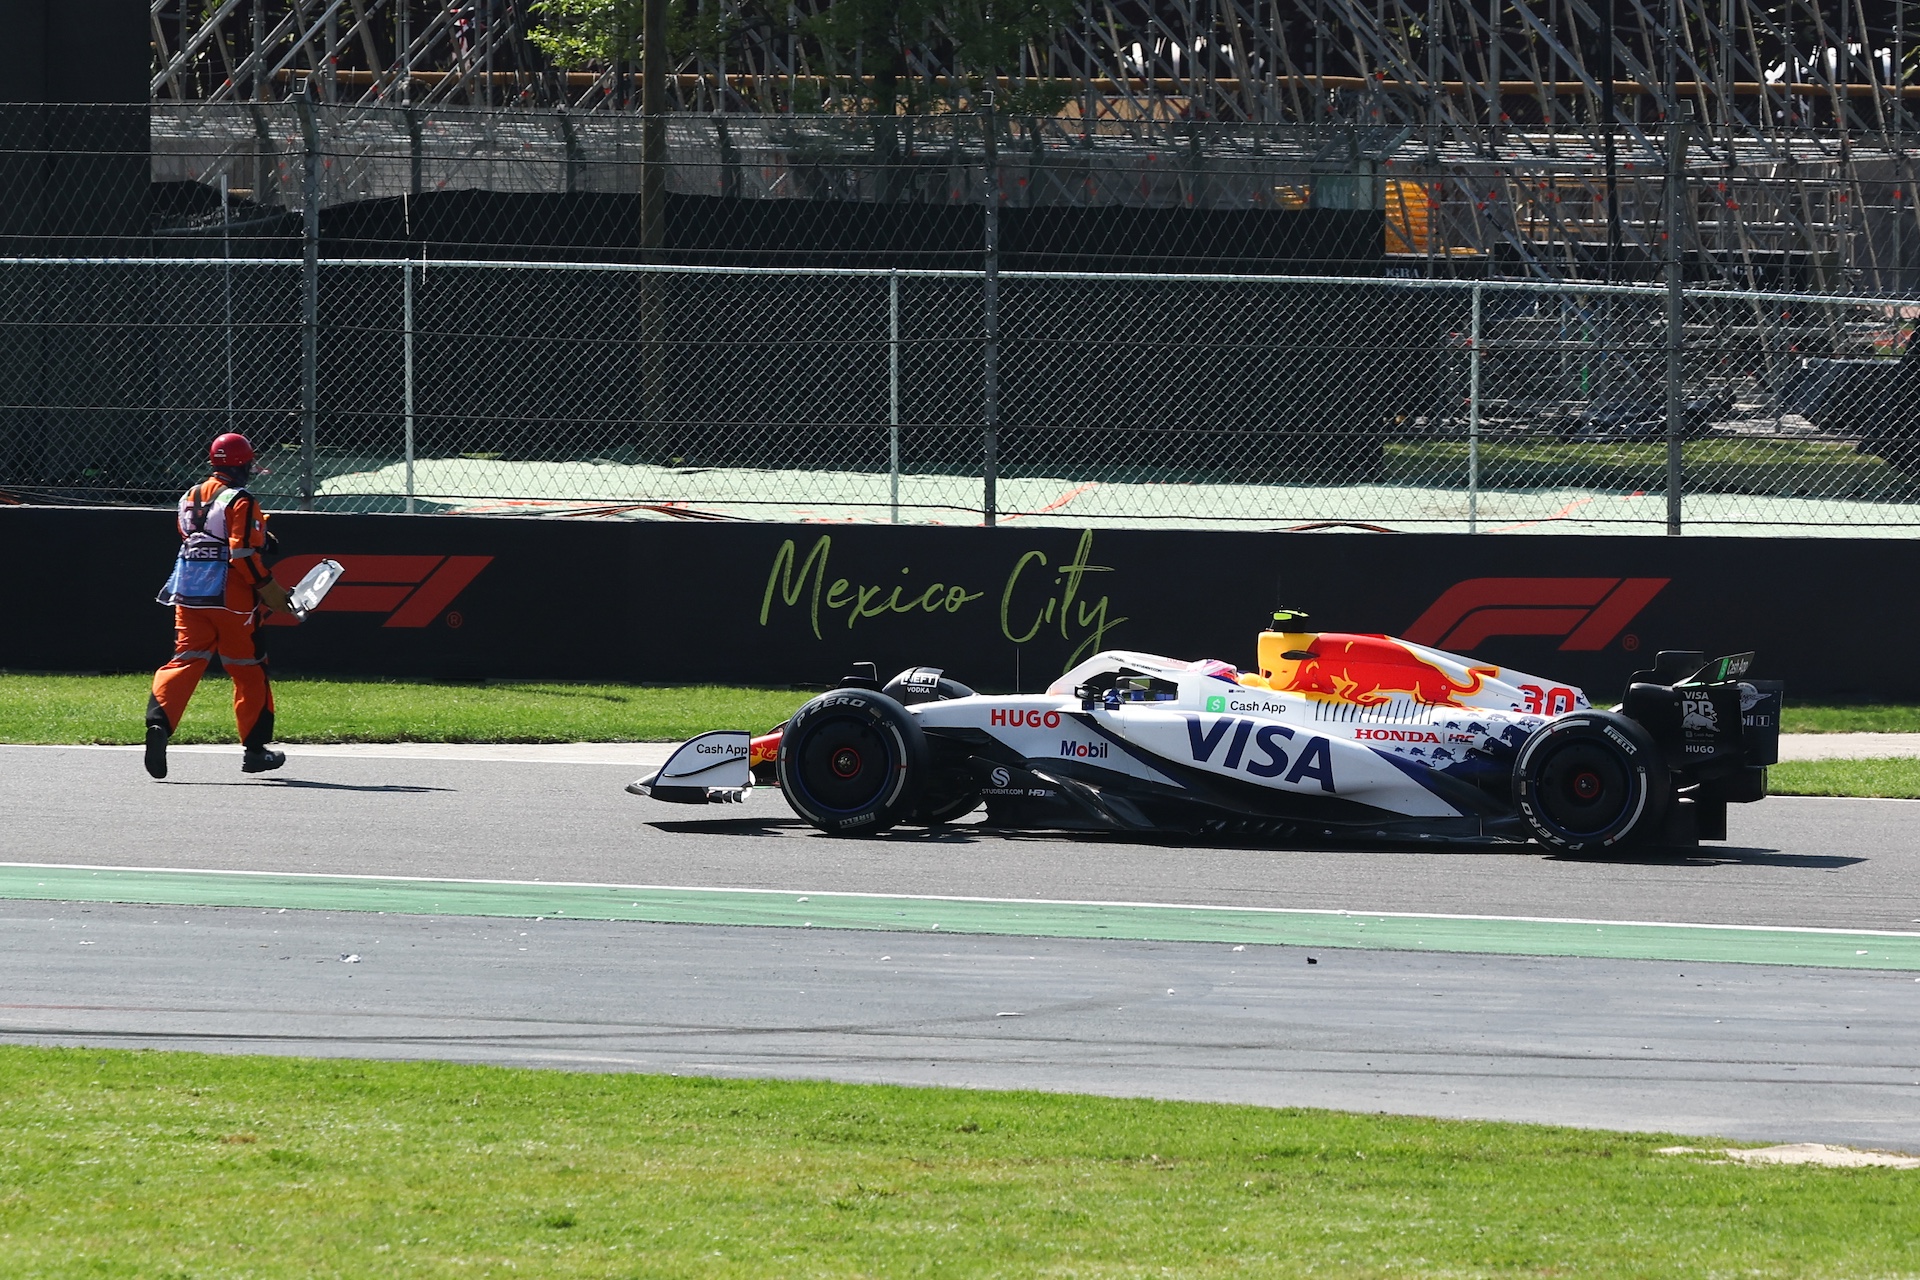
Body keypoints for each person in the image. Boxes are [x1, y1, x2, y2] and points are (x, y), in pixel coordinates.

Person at [145, 433, 293, 779]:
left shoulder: (188, 496)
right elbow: (240, 553)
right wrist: (268, 588)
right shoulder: (240, 498)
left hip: (188, 592)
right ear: (242, 466)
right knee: (248, 667)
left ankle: (159, 724)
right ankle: (255, 751)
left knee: (185, 659)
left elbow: (200, 539)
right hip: (231, 597)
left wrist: (261, 539)